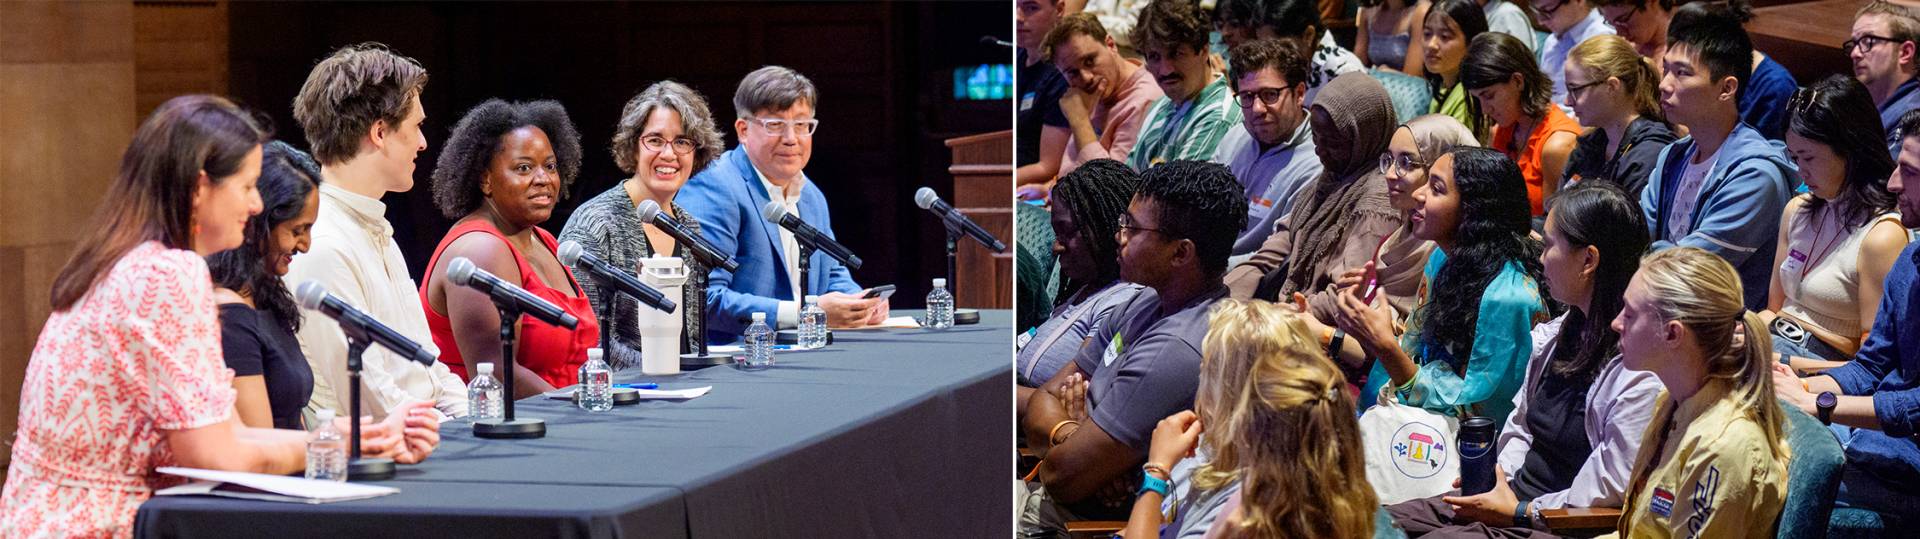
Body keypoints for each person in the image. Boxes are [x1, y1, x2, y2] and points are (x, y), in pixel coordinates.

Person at [0, 95, 402, 537]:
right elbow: (216, 455)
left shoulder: (125, 261)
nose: (254, 206)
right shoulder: (166, 273)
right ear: (199, 187)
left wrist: (351, 439)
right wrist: (336, 445)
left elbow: (232, 433)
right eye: (247, 186)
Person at [1388, 181, 1663, 537]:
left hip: (1552, 524)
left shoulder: (1638, 368)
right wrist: (1496, 481)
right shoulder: (1559, 334)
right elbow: (1520, 426)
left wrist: (1520, 511)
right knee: (1372, 520)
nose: (1541, 257)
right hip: (1514, 503)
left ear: (1588, 260)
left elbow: (1610, 489)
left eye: (1548, 246)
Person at [1018, 161, 1245, 536]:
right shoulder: (1142, 302)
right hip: (1048, 496)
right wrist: (1070, 431)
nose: (1119, 236)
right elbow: (1043, 398)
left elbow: (1061, 477)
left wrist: (1068, 443)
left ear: (1180, 254)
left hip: (1070, 522)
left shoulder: (1176, 348)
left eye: (1133, 228)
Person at [207, 140, 442, 458]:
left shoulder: (270, 302)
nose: (305, 245)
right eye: (297, 230)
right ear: (258, 225)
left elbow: (293, 426)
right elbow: (259, 446)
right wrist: (343, 441)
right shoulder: (232, 318)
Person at [286, 43, 469, 420]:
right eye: (417, 126)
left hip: (430, 435)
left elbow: (428, 366)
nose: (423, 142)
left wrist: (471, 419)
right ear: (380, 132)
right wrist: (453, 432)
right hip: (381, 458)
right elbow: (372, 400)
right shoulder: (323, 244)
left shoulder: (373, 226)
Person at [1119, 300, 1402, 539]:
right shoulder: (1204, 446)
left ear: (1233, 390)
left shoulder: (1247, 510)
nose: (1200, 377)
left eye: (1208, 367)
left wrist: (1155, 472)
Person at [1770, 108, 1920, 530]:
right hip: (1879, 450)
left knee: (1771, 484)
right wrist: (1790, 386)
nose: (1892, 184)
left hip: (1908, 467)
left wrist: (1819, 403)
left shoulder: (1891, 241)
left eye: (1909, 173)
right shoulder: (1912, 260)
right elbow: (1870, 366)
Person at [1336, 147, 1550, 423]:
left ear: (1473, 210)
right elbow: (1414, 349)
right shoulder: (1441, 257)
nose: (1418, 195)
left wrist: (1386, 348)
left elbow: (1476, 414)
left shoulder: (1508, 298)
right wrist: (1367, 330)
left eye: (1436, 189)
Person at [679, 66, 888, 343]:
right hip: (736, 362)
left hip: (805, 354)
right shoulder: (716, 187)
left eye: (802, 125)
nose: (791, 139)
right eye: (775, 125)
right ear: (743, 130)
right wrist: (804, 313)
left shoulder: (810, 194)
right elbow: (703, 299)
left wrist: (858, 304)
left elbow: (833, 273)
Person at [420, 99, 600, 397]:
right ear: (486, 179)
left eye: (550, 166)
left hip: (566, 417)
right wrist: (580, 407)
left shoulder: (544, 240)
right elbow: (497, 373)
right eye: (524, 168)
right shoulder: (480, 249)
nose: (543, 179)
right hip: (507, 429)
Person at [1607, 247, 1789, 537]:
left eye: (1629, 314)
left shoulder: (1722, 448)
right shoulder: (1672, 401)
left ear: (1672, 334)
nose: (1616, 323)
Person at [1641, 5, 1798, 312]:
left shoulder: (1756, 175)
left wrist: (1645, 253)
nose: (1664, 85)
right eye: (1666, 70)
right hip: (1666, 308)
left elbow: (1690, 269)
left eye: (1682, 73)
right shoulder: (1673, 154)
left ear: (1727, 88)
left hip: (1722, 331)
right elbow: (1634, 234)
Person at [558, 82, 721, 371]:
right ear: (633, 147)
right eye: (655, 140)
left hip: (686, 387)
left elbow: (691, 339)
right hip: (629, 393)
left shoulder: (689, 227)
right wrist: (664, 368)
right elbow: (588, 340)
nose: (669, 154)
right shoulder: (595, 224)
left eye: (682, 142)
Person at [1763, 76, 1909, 369]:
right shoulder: (1797, 211)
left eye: (1809, 158)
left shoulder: (1882, 235)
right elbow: (1772, 311)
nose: (1800, 171)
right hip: (1773, 344)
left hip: (1819, 366)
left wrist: (1786, 362)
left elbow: (1871, 368)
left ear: (1850, 150)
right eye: (1794, 157)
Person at [1227, 73, 1403, 315]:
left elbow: (1347, 296)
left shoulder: (1379, 202)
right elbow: (1278, 246)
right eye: (1315, 137)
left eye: (1332, 141)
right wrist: (1227, 295)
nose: (1319, 150)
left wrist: (1277, 317)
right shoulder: (1330, 178)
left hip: (1313, 323)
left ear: (1363, 137)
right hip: (1288, 306)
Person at [1016, 160, 1145, 390]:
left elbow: (1062, 395)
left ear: (1105, 230)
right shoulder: (1083, 289)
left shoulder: (1121, 300)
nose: (1056, 247)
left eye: (1065, 233)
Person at [1216, 38, 1325, 256]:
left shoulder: (1318, 163)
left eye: (1269, 95)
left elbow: (1279, 257)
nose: (1257, 109)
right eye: (1247, 96)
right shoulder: (1234, 137)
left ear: (1300, 93)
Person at [1038, 13, 1164, 190]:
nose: (1087, 77)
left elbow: (1112, 189)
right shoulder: (1095, 91)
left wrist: (1080, 122)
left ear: (1111, 45)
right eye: (1072, 72)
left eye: (1089, 61)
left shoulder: (1145, 98)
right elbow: (1072, 170)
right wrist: (1048, 190)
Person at [1465, 32, 1583, 217]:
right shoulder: (1500, 131)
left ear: (1518, 81)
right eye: (1478, 98)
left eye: (1489, 96)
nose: (1485, 109)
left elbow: (1556, 228)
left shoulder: (1557, 145)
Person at [1126, 0, 1242, 170]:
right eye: (1154, 57)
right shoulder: (1160, 105)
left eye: (1176, 54)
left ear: (1203, 51)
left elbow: (1174, 196)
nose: (1166, 70)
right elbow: (1126, 178)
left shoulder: (1218, 118)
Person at [1562, 34, 1676, 198]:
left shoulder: (1649, 154)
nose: (1567, 101)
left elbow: (1625, 223)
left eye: (1575, 90)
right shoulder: (1591, 143)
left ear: (1612, 86)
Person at [1213, 0, 1365, 105]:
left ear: (1308, 36)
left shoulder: (1343, 72)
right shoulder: (1289, 64)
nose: (1270, 55)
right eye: (1264, 45)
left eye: (1277, 47)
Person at [1850, 1, 1920, 158]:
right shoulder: (1859, 110)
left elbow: (1884, 181)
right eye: (1854, 43)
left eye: (1868, 42)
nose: (1855, 53)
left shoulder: (1914, 117)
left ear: (1905, 52)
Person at [1017, 0, 1072, 177]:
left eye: (1031, 8)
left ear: (1060, 9)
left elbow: (1049, 167)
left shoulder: (1063, 72)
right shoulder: (1019, 55)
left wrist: (1006, 179)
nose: (1017, 17)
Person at [1423, 0, 1493, 140]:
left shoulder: (1472, 96)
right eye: (1427, 34)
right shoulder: (1442, 86)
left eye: (1445, 37)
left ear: (1472, 43)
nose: (1431, 45)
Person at [1529, 0, 1615, 108]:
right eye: (1537, 11)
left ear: (1579, 1)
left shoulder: (1602, 36)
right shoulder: (1551, 41)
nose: (1541, 21)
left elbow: (1602, 106)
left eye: (1547, 10)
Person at [1357, 0, 1433, 77]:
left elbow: (1413, 77)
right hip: (1374, 83)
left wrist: (1385, 73)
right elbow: (1356, 65)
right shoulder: (1368, 10)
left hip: (1406, 86)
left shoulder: (1421, 12)